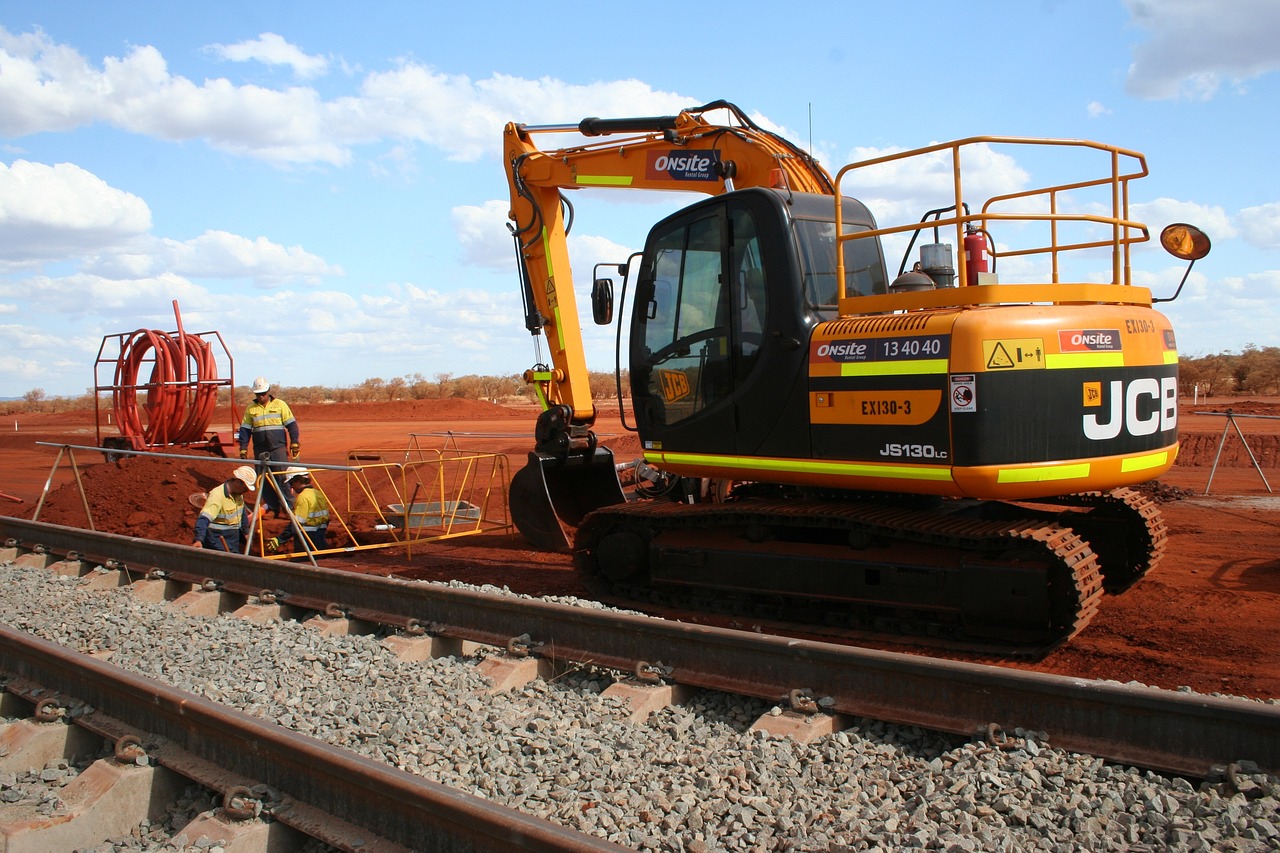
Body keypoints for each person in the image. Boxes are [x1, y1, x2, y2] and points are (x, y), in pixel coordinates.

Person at [237, 377, 300, 517]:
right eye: (258, 394)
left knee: (282, 478)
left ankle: (289, 508)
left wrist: (294, 442)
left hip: (278, 448)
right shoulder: (251, 408)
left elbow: (292, 425)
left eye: (263, 393)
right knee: (263, 479)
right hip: (260, 449)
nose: (261, 396)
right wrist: (243, 447)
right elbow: (245, 430)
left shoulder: (280, 405)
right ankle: (272, 507)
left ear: (268, 391)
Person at [192, 466, 256, 552]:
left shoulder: (238, 495)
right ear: (237, 482)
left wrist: (246, 532)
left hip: (233, 540)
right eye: (245, 488)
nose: (246, 491)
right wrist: (199, 539)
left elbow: (242, 514)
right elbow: (204, 518)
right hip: (217, 541)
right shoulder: (217, 496)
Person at [267, 468, 330, 554]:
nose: (291, 487)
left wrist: (279, 539)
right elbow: (327, 519)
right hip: (320, 538)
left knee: (303, 561)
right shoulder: (318, 494)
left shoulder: (302, 497)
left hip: (306, 540)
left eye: (291, 483)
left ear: (297, 480)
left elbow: (296, 525)